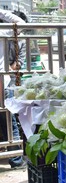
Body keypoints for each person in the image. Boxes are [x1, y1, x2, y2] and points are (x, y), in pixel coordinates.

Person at [0, 9, 26, 168]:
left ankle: (15, 158)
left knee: (7, 117)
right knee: (8, 118)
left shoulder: (6, 33)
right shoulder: (4, 31)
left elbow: (19, 61)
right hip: (2, 79)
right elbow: (21, 23)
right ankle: (15, 159)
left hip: (4, 79)